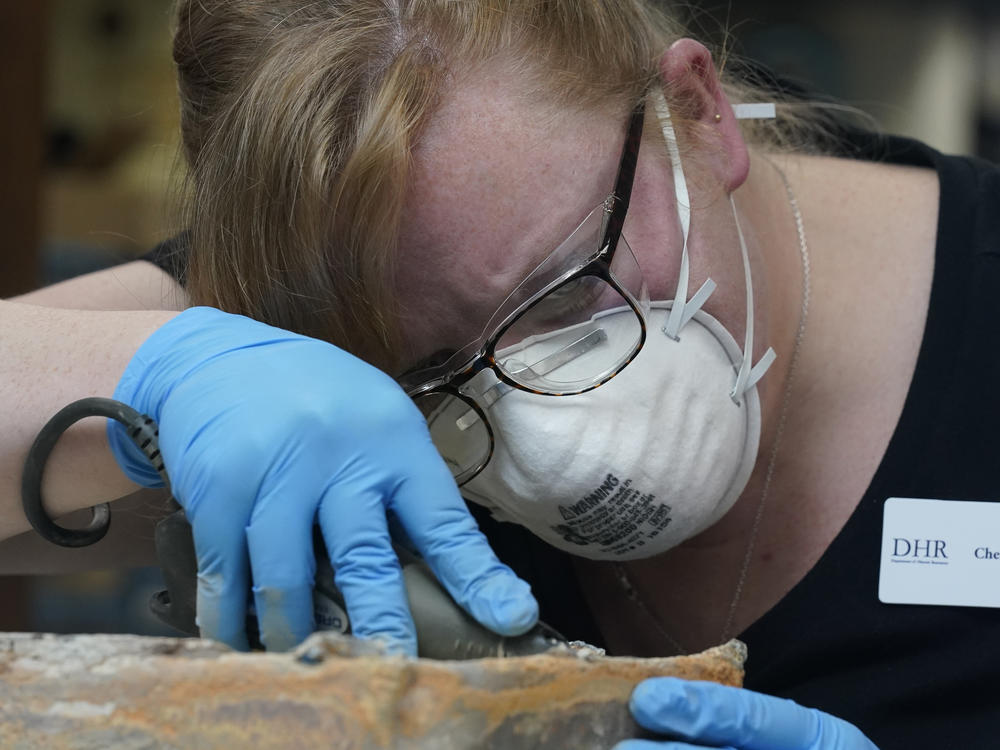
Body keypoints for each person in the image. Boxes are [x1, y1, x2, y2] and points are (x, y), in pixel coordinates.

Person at [2, 1, 998, 747]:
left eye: (567, 294)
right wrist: (161, 366)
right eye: (433, 374)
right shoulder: (346, 296)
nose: (547, 426)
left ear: (697, 112)